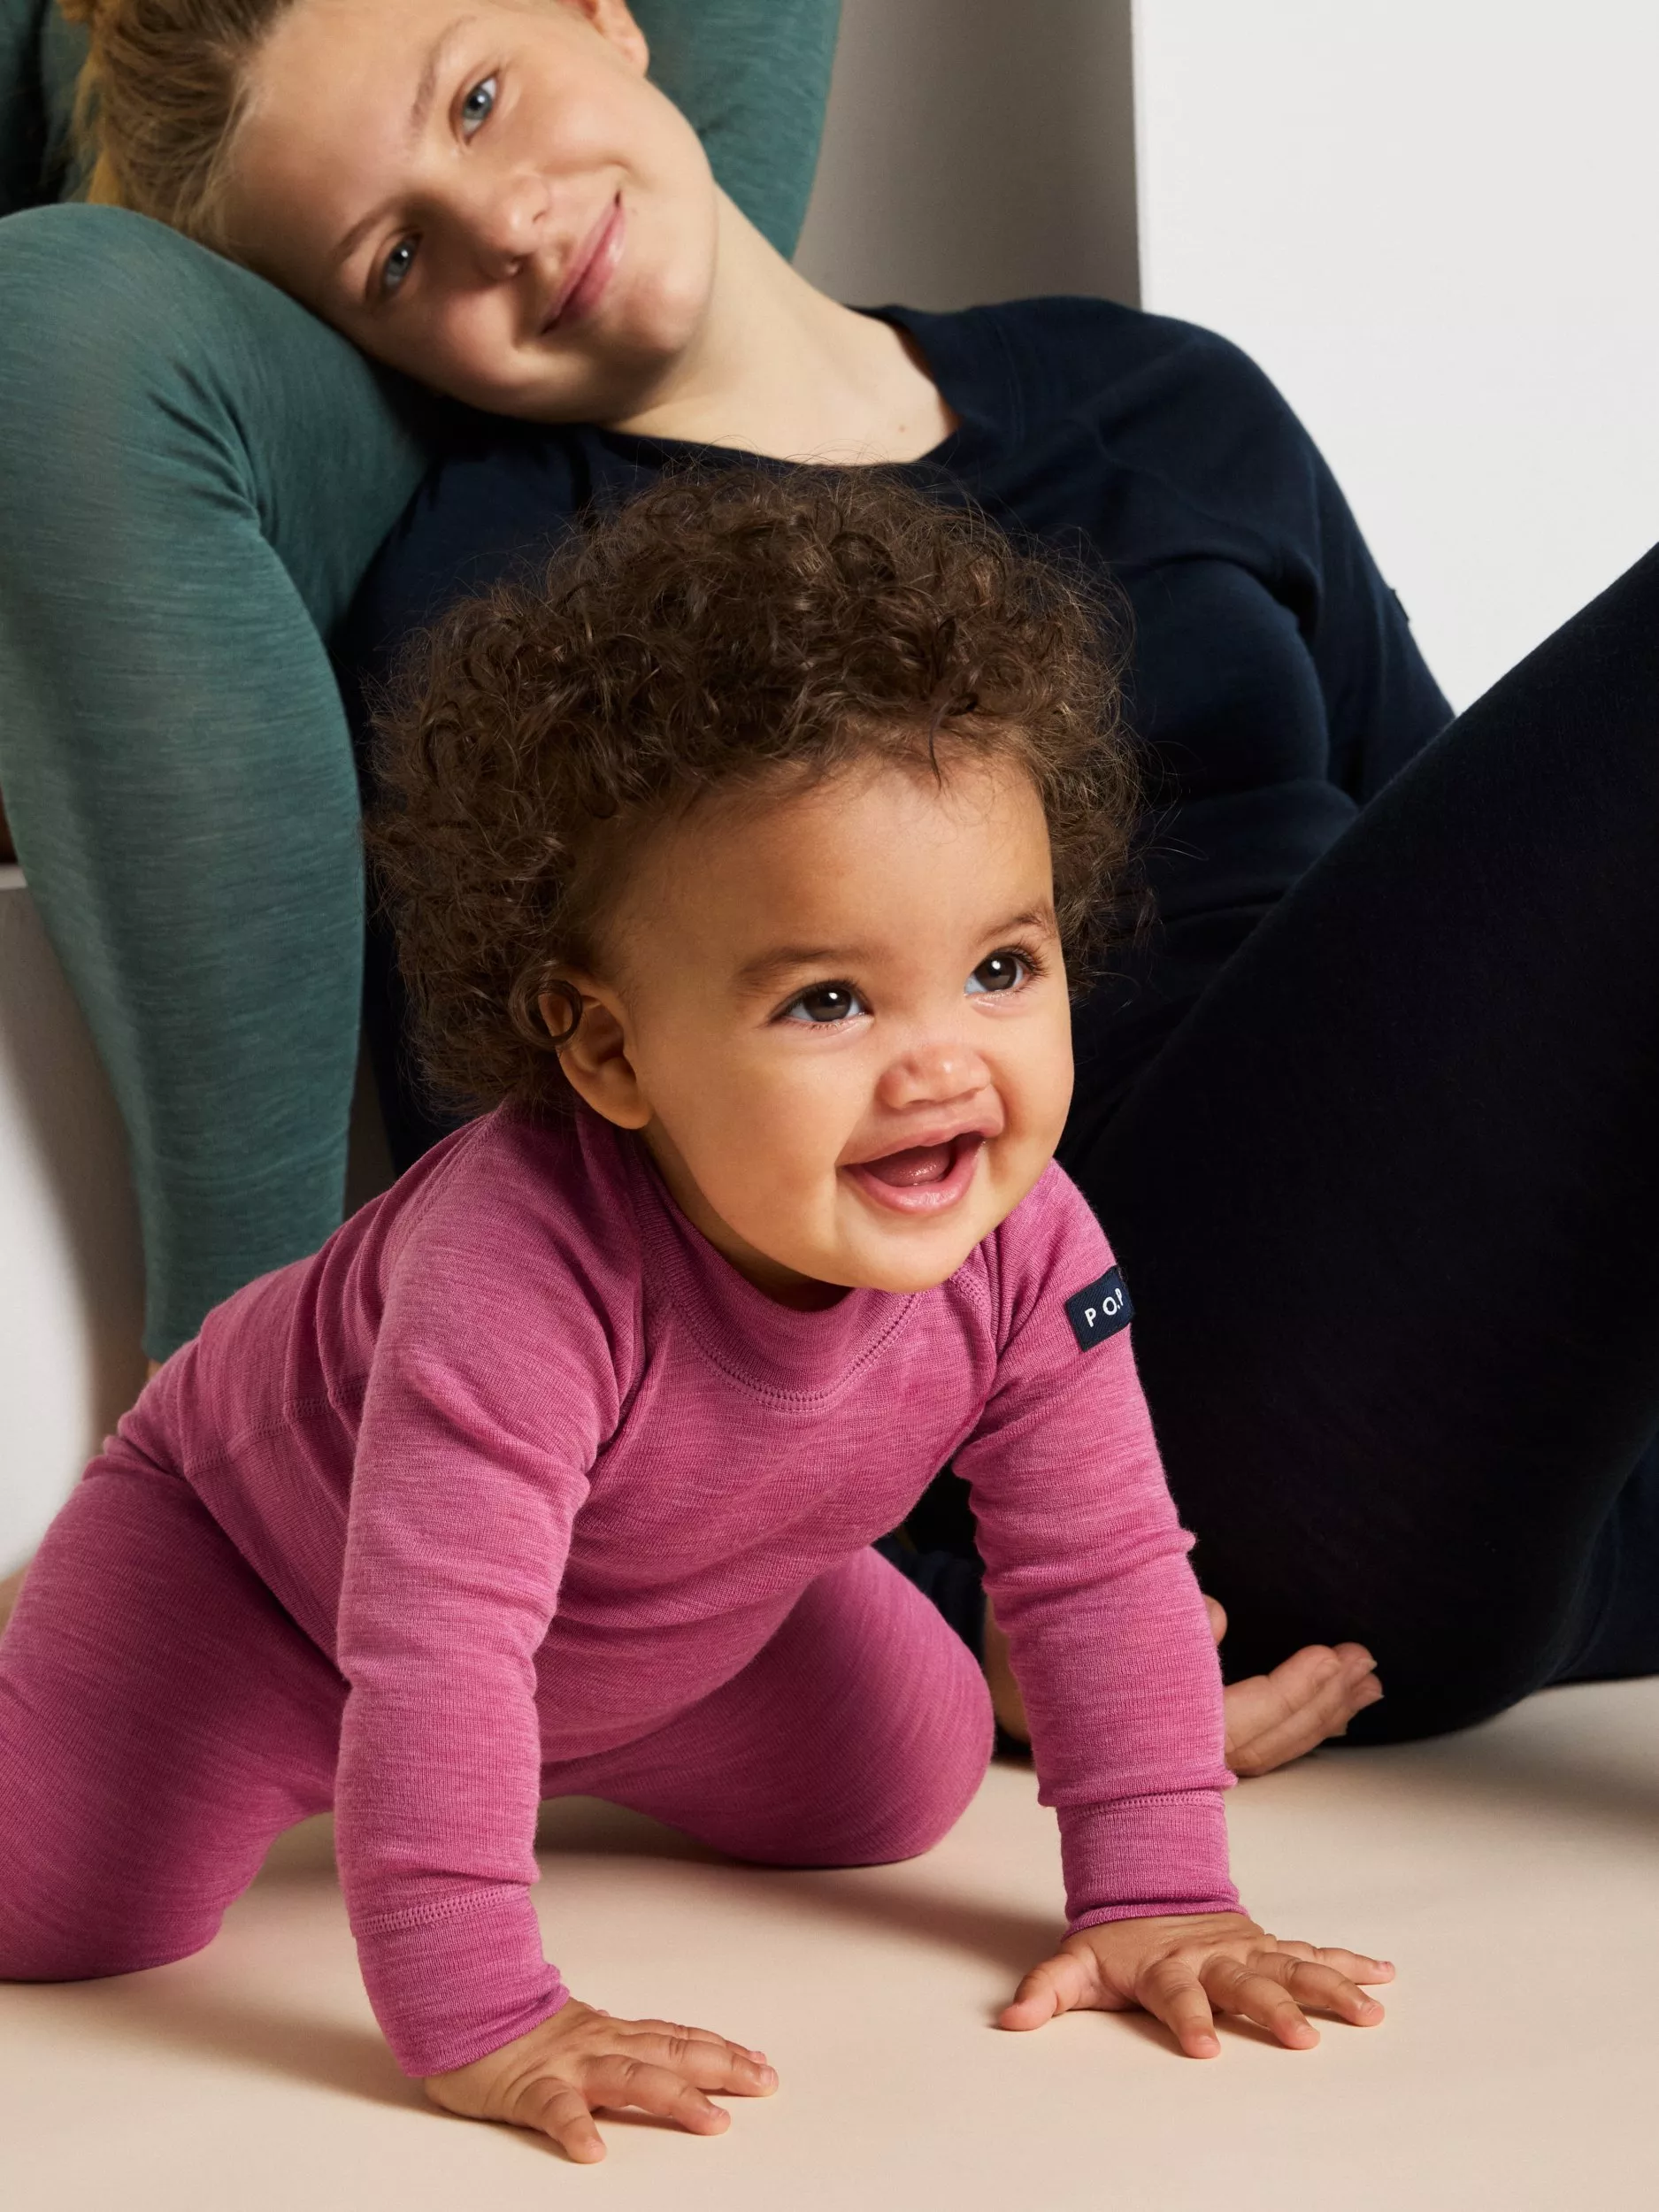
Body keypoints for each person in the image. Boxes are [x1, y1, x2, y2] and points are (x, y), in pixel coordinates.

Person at [15, 0, 1659, 1765]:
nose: (503, 228)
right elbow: (547, 1243)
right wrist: (965, 1620)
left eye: (481, 99)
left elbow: (1488, 937)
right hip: (1201, 1433)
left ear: (605, 19)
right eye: (400, 256)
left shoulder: (1168, 393)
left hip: (1564, 1441)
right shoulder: (516, 607)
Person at [0, 472, 1393, 2162]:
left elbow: (1097, 1561)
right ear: (608, 1054)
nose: (944, 1061)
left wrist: (1163, 1888)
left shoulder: (1028, 1242)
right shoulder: (514, 1271)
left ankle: (585, 1753)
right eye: (826, 998)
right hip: (257, 1597)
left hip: (663, 1644)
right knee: (59, 1912)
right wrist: (486, 2016)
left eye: (1002, 969)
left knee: (917, 1772)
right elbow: (436, 1654)